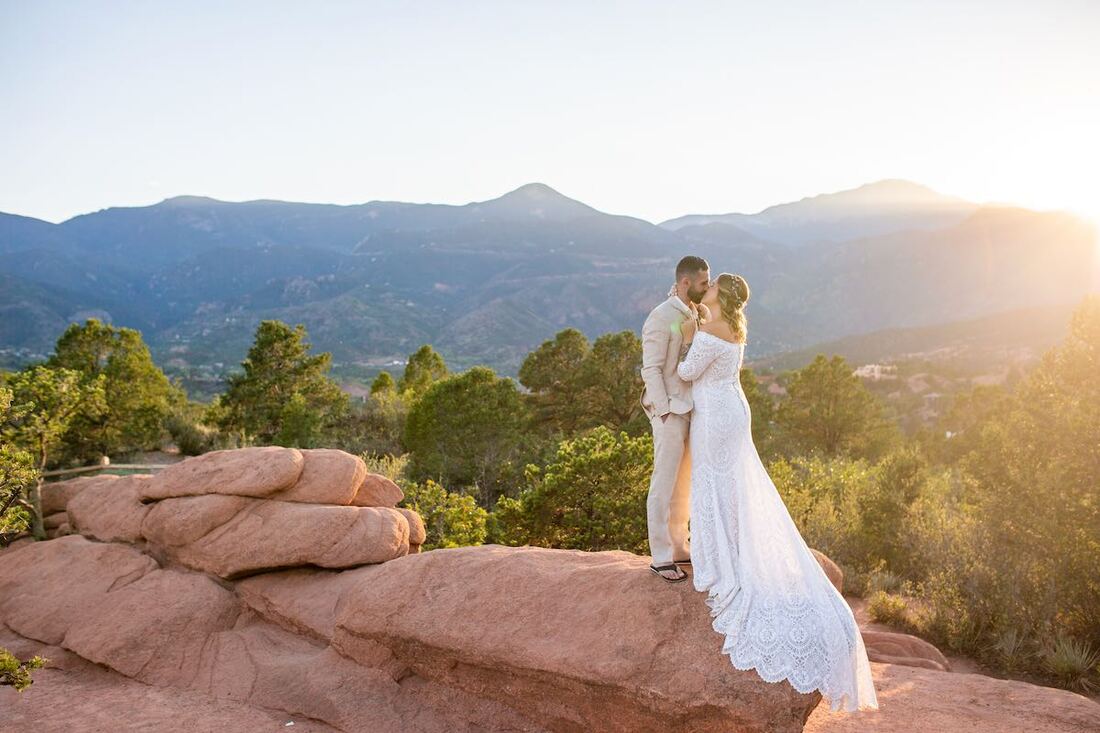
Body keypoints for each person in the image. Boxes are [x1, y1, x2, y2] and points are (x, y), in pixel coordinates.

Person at [675, 272, 879, 713]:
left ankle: (723, 555)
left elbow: (686, 372)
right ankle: (732, 547)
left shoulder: (709, 329)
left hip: (715, 417)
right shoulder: (734, 326)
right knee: (732, 484)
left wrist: (684, 332)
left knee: (714, 481)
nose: (708, 289)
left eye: (713, 286)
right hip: (733, 411)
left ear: (721, 294)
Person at [640, 256, 710, 582]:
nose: (707, 288)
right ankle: (661, 556)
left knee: (683, 484)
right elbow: (651, 369)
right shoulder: (661, 316)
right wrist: (664, 410)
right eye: (703, 283)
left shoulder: (695, 312)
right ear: (685, 283)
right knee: (663, 484)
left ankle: (680, 546)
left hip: (691, 410)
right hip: (669, 411)